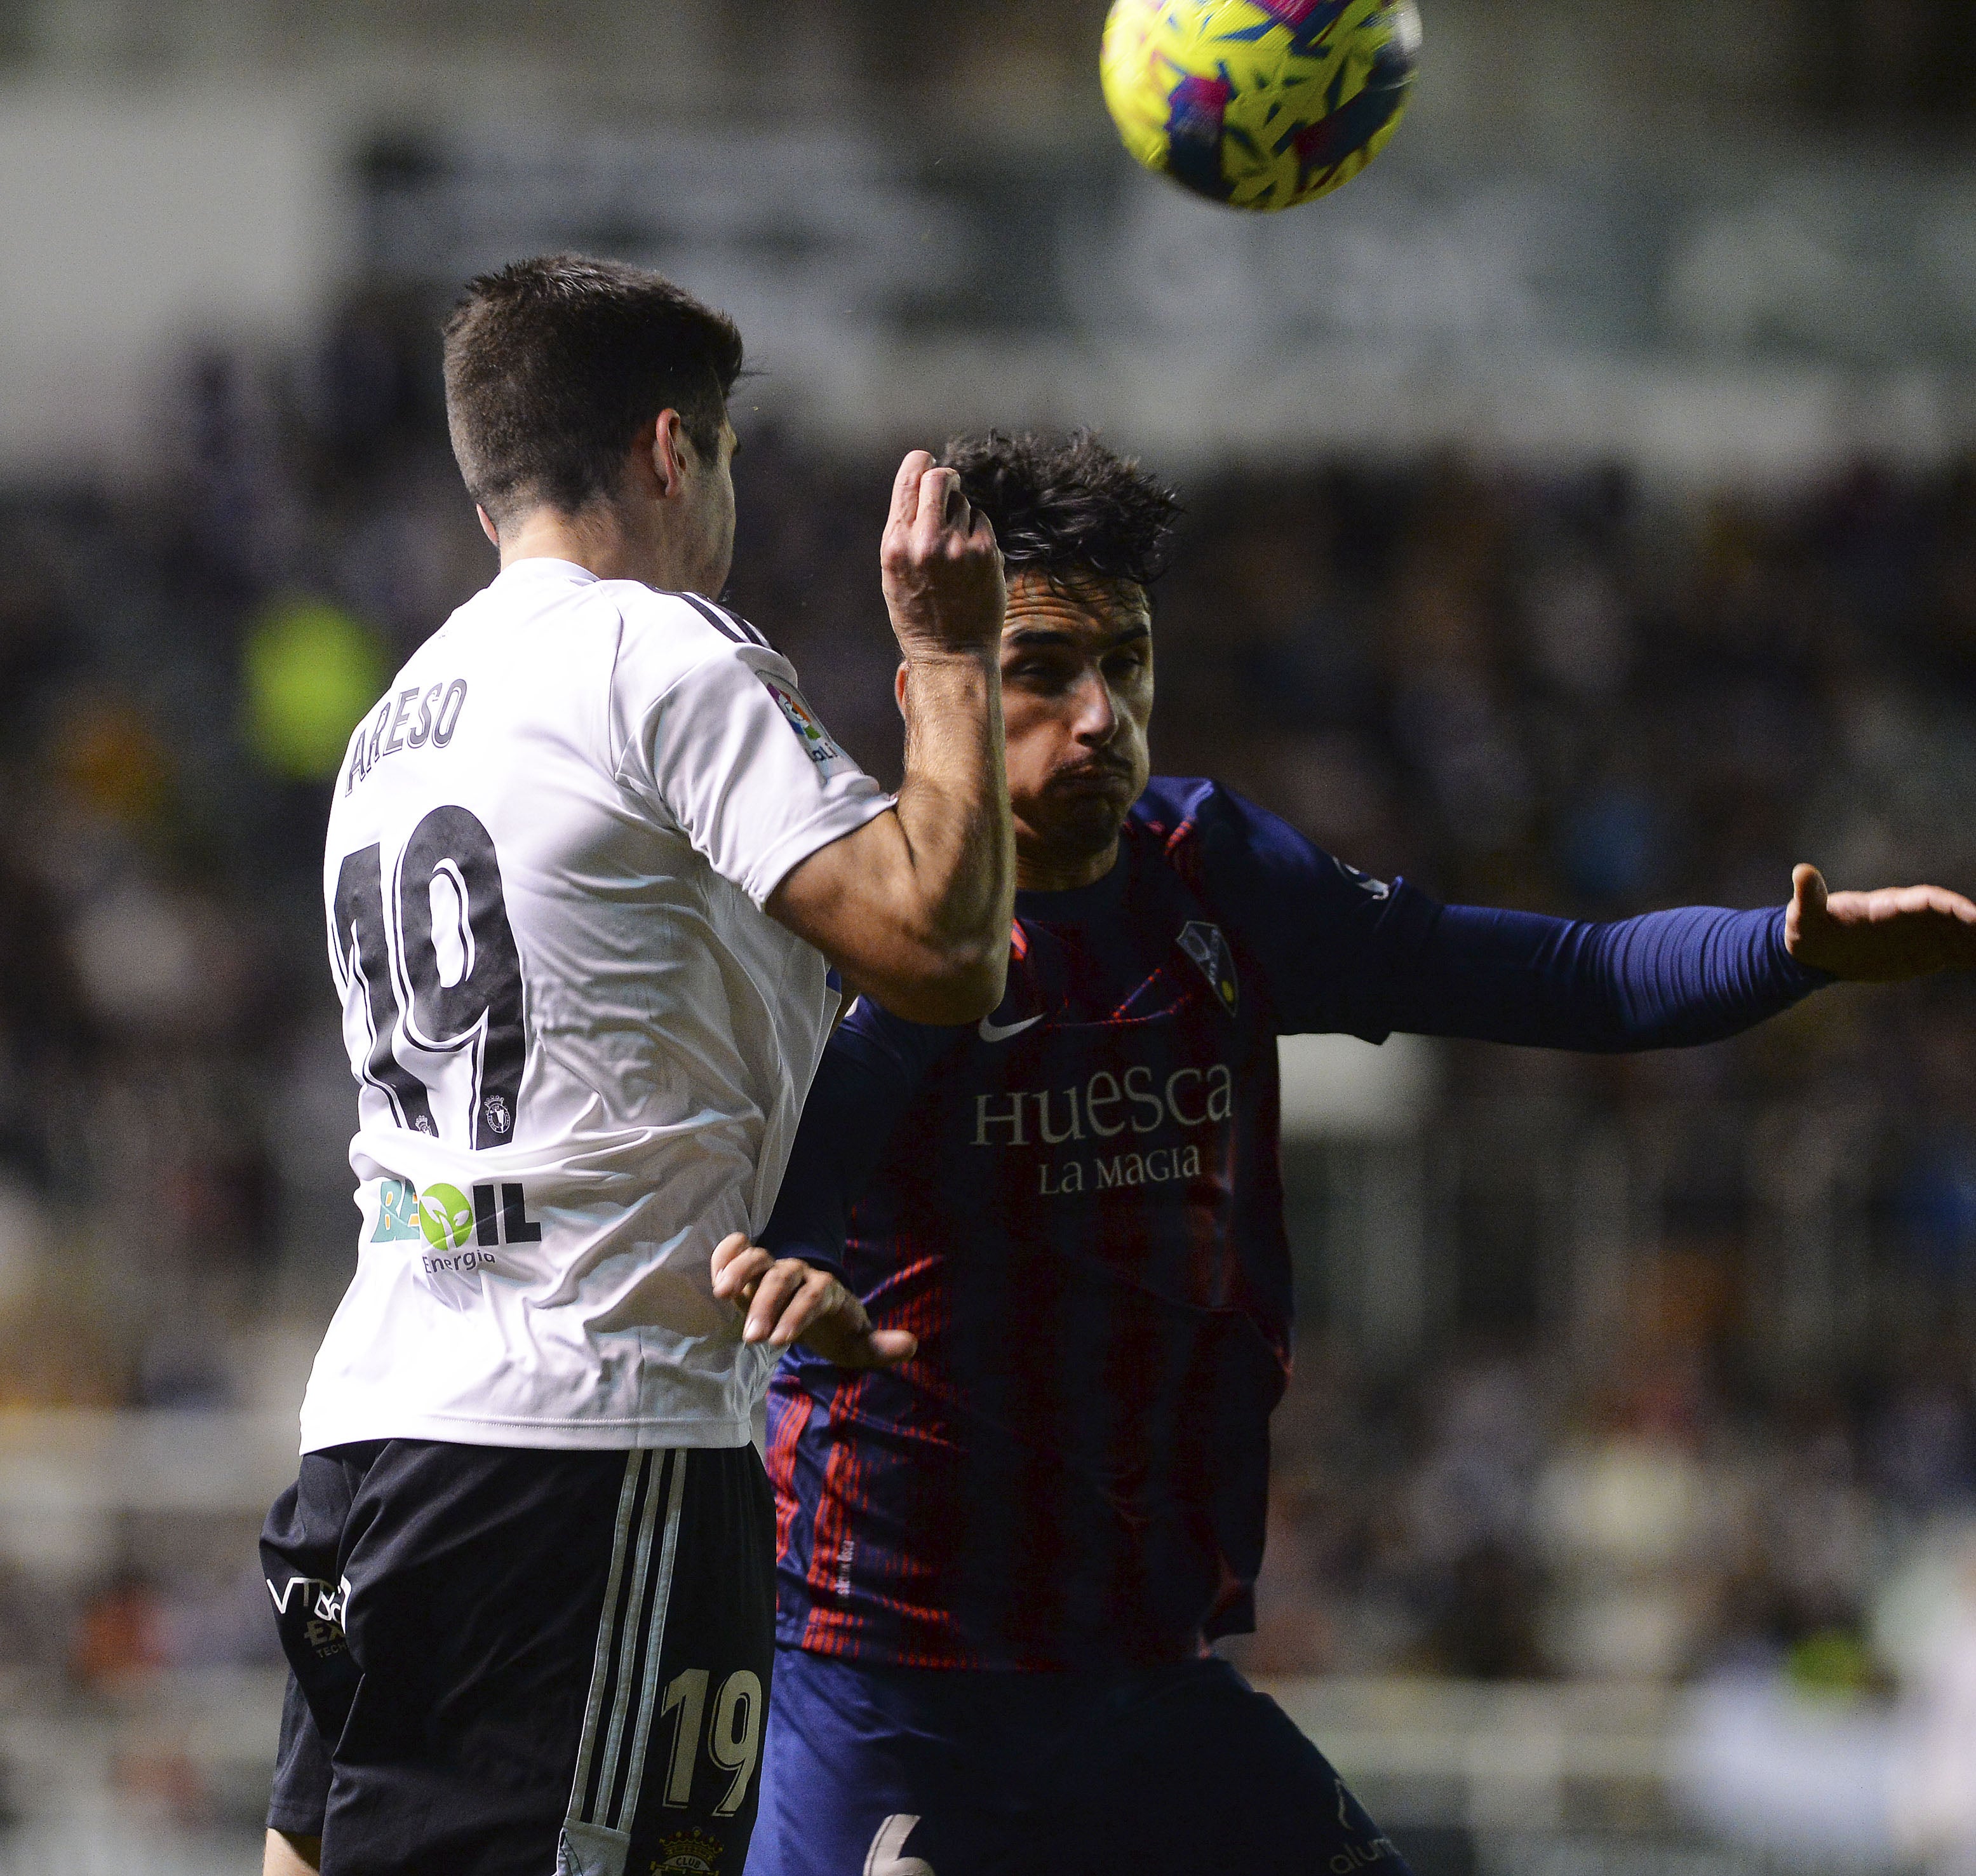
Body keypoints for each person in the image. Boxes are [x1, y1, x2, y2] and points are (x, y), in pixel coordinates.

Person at [727, 431, 1976, 1876]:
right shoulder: (867, 936)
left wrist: (1779, 951)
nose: (1095, 718)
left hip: (1145, 1677)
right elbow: (767, 1238)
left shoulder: (1210, 873)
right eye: (1039, 668)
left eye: (1122, 663)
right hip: (897, 1682)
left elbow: (1556, 976)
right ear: (932, 687)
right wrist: (786, 1287)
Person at [259, 255, 1012, 1876]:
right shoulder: (657, 653)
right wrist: (951, 661)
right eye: (729, 455)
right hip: (589, 1446)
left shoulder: (391, 721)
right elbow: (939, 952)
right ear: (674, 450)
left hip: (371, 1425)